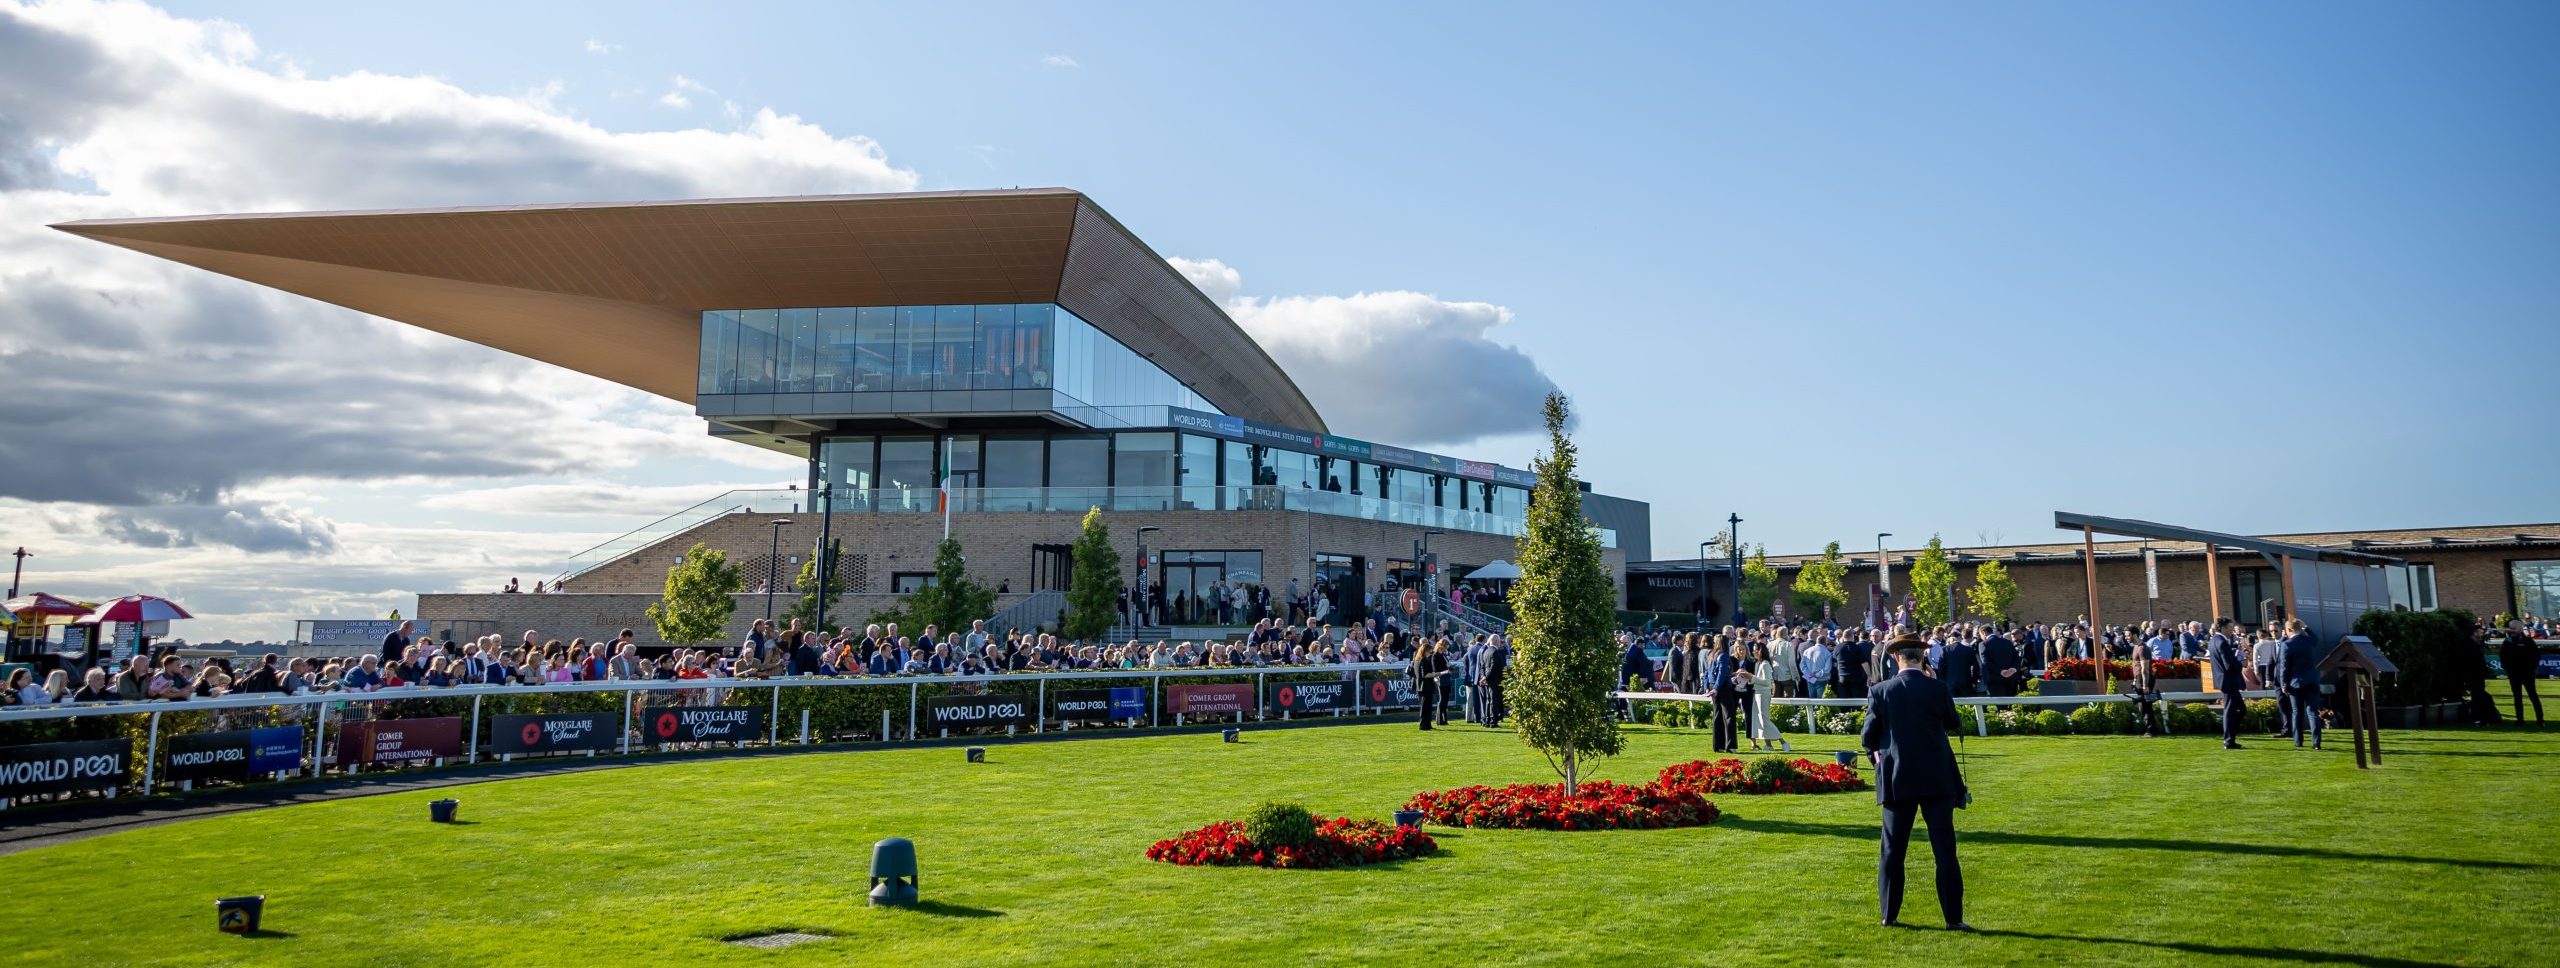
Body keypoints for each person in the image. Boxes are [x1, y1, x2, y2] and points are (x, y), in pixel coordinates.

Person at [1859, 635, 1969, 931]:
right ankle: (1953, 918)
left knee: (1893, 850)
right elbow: (1952, 723)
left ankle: (1889, 914)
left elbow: (1867, 737)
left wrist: (1879, 755)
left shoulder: (1881, 690)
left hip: (1899, 777)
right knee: (1945, 850)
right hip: (1936, 776)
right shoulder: (1937, 688)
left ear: (1896, 658)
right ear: (1922, 658)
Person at [2276, 618, 2323, 749]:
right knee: (2313, 713)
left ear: (2289, 630)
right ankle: (2316, 743)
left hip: (2295, 683)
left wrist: (2283, 683)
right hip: (2312, 680)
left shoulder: (2287, 644)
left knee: (2297, 713)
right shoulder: (2309, 641)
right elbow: (2316, 638)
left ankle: (2298, 741)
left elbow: (2284, 667)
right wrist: (2306, 627)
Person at [2208, 618, 2247, 749]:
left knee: (2238, 710)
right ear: (2223, 628)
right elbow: (2229, 665)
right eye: (2230, 628)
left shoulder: (2213, 641)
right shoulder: (2221, 642)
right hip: (2229, 681)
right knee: (2232, 711)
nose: (2232, 631)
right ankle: (2229, 739)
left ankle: (2230, 738)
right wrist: (2240, 662)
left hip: (2224, 681)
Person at [2501, 621, 2544, 724]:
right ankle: (2520, 720)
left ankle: (2540, 719)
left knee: (2532, 695)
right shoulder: (2508, 642)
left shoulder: (2528, 642)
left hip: (2527, 674)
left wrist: (2532, 669)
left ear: (2519, 628)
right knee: (2517, 697)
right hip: (2514, 674)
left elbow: (2536, 657)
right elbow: (2503, 658)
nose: (2511, 630)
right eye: (2511, 628)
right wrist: (2508, 669)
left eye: (2513, 628)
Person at [1708, 637, 1744, 754]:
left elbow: (1710, 673)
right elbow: (1722, 673)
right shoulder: (1723, 655)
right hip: (1722, 687)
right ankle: (1730, 745)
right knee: (1729, 715)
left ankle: (1718, 745)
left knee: (1717, 715)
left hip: (1714, 686)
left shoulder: (1712, 654)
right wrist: (1717, 688)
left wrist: (1711, 687)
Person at [1412, 639, 1448, 730]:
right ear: (1426, 651)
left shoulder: (1416, 660)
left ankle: (1427, 724)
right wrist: (1437, 674)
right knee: (1425, 707)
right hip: (1425, 686)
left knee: (1426, 707)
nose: (1431, 653)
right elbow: (1426, 675)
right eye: (1430, 651)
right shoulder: (1423, 660)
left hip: (1420, 685)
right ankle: (1424, 725)